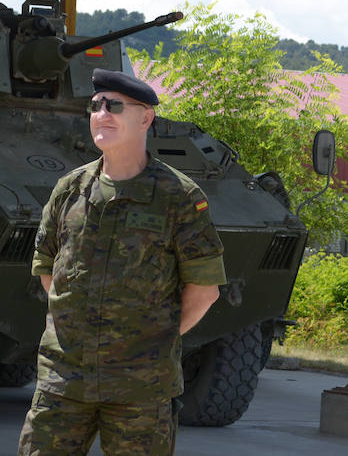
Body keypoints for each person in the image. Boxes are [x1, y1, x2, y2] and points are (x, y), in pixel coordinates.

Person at [17, 68, 227, 455]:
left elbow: (204, 289)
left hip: (140, 389)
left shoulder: (178, 196)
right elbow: (49, 272)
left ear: (145, 117)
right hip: (64, 381)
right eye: (96, 105)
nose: (102, 113)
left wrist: (152, 338)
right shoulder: (71, 188)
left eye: (114, 105)